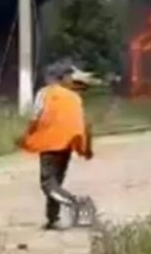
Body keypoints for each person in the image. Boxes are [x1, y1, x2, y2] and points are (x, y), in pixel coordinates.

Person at [16, 59, 97, 230]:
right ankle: (52, 217)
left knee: (48, 183)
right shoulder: (74, 97)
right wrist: (86, 148)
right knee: (55, 182)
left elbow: (35, 117)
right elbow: (84, 123)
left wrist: (27, 136)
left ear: (52, 78)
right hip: (67, 144)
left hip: (49, 142)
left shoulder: (45, 93)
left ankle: (74, 203)